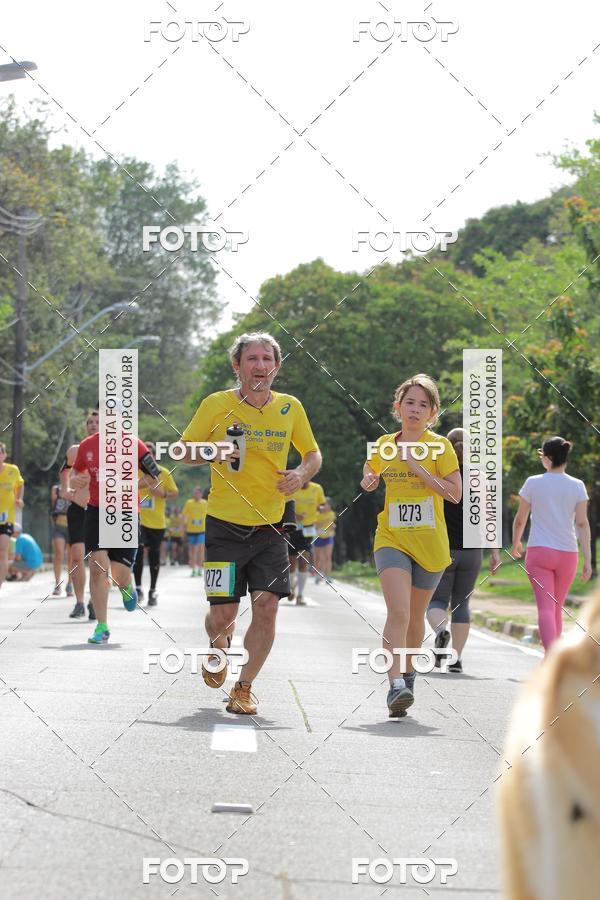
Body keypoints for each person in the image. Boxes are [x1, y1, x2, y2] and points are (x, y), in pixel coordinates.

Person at [181, 331, 321, 714]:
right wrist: (215, 449)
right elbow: (183, 450)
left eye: (266, 359)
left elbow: (312, 454)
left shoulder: (291, 407)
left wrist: (301, 474)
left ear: (276, 366)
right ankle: (218, 645)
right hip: (224, 525)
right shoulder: (216, 404)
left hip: (272, 526)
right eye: (251, 359)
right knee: (223, 614)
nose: (259, 365)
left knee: (268, 607)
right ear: (237, 366)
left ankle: (243, 687)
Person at [361, 374, 461, 718]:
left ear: (432, 413)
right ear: (397, 407)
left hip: (430, 544)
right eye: (409, 403)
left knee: (416, 618)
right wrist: (369, 478)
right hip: (392, 538)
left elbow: (455, 493)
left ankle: (408, 674)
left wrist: (419, 469)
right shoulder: (385, 444)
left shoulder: (440, 447)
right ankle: (395, 686)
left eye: (423, 404)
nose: (415, 409)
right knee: (399, 612)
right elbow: (371, 468)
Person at [70, 430, 160, 644]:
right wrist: (77, 481)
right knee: (97, 568)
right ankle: (102, 626)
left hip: (126, 514)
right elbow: (75, 473)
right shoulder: (87, 445)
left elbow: (153, 477)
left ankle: (126, 587)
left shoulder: (135, 445)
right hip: (97, 512)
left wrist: (125, 486)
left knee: (120, 575)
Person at [426, 428, 500, 673]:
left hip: (443, 549)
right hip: (472, 550)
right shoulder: (479, 478)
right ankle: (456, 660)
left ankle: (440, 632)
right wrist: (495, 553)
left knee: (436, 600)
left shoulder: (438, 476)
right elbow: (490, 517)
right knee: (462, 603)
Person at [512, 436, 592, 651]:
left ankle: (550, 659)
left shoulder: (533, 482)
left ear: (547, 458)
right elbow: (582, 524)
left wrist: (516, 543)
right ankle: (554, 660)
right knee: (557, 607)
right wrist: (588, 560)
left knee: (545, 608)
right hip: (568, 554)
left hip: (539, 552)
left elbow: (520, 519)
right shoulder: (578, 486)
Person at [61, 410, 99, 620]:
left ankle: (96, 600)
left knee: (98, 560)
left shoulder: (110, 452)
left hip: (100, 508)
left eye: (97, 422)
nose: (93, 424)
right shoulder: (76, 450)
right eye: (90, 422)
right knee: (76, 556)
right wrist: (66, 489)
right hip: (77, 508)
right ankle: (79, 602)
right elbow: (64, 471)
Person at [134, 442, 178, 606]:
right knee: (137, 553)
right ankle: (138, 588)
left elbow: (175, 492)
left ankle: (152, 590)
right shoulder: (135, 472)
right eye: (145, 454)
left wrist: (162, 494)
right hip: (138, 519)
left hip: (157, 522)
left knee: (154, 556)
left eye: (150, 454)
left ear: (154, 456)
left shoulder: (163, 473)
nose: (148, 457)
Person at [288, 480, 326, 604]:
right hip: (293, 527)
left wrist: (320, 508)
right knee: (291, 562)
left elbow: (322, 505)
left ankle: (300, 595)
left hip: (308, 528)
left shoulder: (317, 488)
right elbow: (283, 505)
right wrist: (295, 515)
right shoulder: (292, 487)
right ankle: (291, 587)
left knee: (303, 561)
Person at [0, 442, 24, 593]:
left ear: (4, 455)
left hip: (6, 518)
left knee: (2, 551)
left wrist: (19, 498)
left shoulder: (12, 470)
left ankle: (0, 583)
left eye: (0, 452)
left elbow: (20, 484)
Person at [182, 487, 209, 576]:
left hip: (201, 530)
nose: (196, 495)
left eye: (198, 493)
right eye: (195, 493)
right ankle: (193, 569)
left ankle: (199, 569)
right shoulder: (189, 503)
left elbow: (208, 514)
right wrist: (184, 524)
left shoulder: (205, 503)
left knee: (200, 549)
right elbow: (185, 515)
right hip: (191, 530)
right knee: (193, 550)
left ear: (201, 494)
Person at [50, 483, 70, 597]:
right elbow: (53, 506)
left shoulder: (78, 486)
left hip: (73, 526)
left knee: (72, 558)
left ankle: (70, 583)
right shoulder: (56, 489)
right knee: (58, 554)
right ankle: (57, 584)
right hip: (58, 526)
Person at [313, 497, 336, 584]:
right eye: (323, 504)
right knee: (318, 557)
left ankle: (328, 576)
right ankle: (318, 575)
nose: (324, 506)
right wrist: (324, 524)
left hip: (329, 537)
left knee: (328, 556)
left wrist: (332, 526)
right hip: (318, 537)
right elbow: (316, 525)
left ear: (329, 506)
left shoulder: (331, 514)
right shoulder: (317, 514)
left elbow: (332, 524)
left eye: (326, 504)